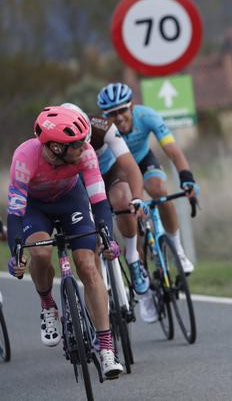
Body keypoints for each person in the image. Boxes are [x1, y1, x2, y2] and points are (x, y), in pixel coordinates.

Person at [6, 106, 124, 378]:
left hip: (72, 201)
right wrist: (16, 252)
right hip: (35, 209)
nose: (85, 147)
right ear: (57, 147)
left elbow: (99, 199)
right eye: (78, 144)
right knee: (40, 253)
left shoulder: (85, 154)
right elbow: (15, 211)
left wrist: (107, 235)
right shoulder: (25, 156)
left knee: (87, 265)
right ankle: (47, 304)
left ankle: (106, 347)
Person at [61, 103, 156, 322]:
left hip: (109, 172)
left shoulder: (103, 126)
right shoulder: (57, 140)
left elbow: (130, 166)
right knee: (88, 236)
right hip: (79, 183)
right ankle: (98, 296)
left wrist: (137, 198)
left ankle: (133, 257)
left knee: (123, 199)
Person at [96, 83, 198, 275]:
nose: (118, 117)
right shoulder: (103, 129)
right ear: (105, 115)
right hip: (119, 168)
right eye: (111, 113)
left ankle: (177, 251)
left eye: (122, 110)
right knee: (131, 213)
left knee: (159, 189)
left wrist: (186, 177)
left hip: (143, 159)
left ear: (131, 106)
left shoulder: (147, 116)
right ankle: (142, 277)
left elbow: (172, 150)